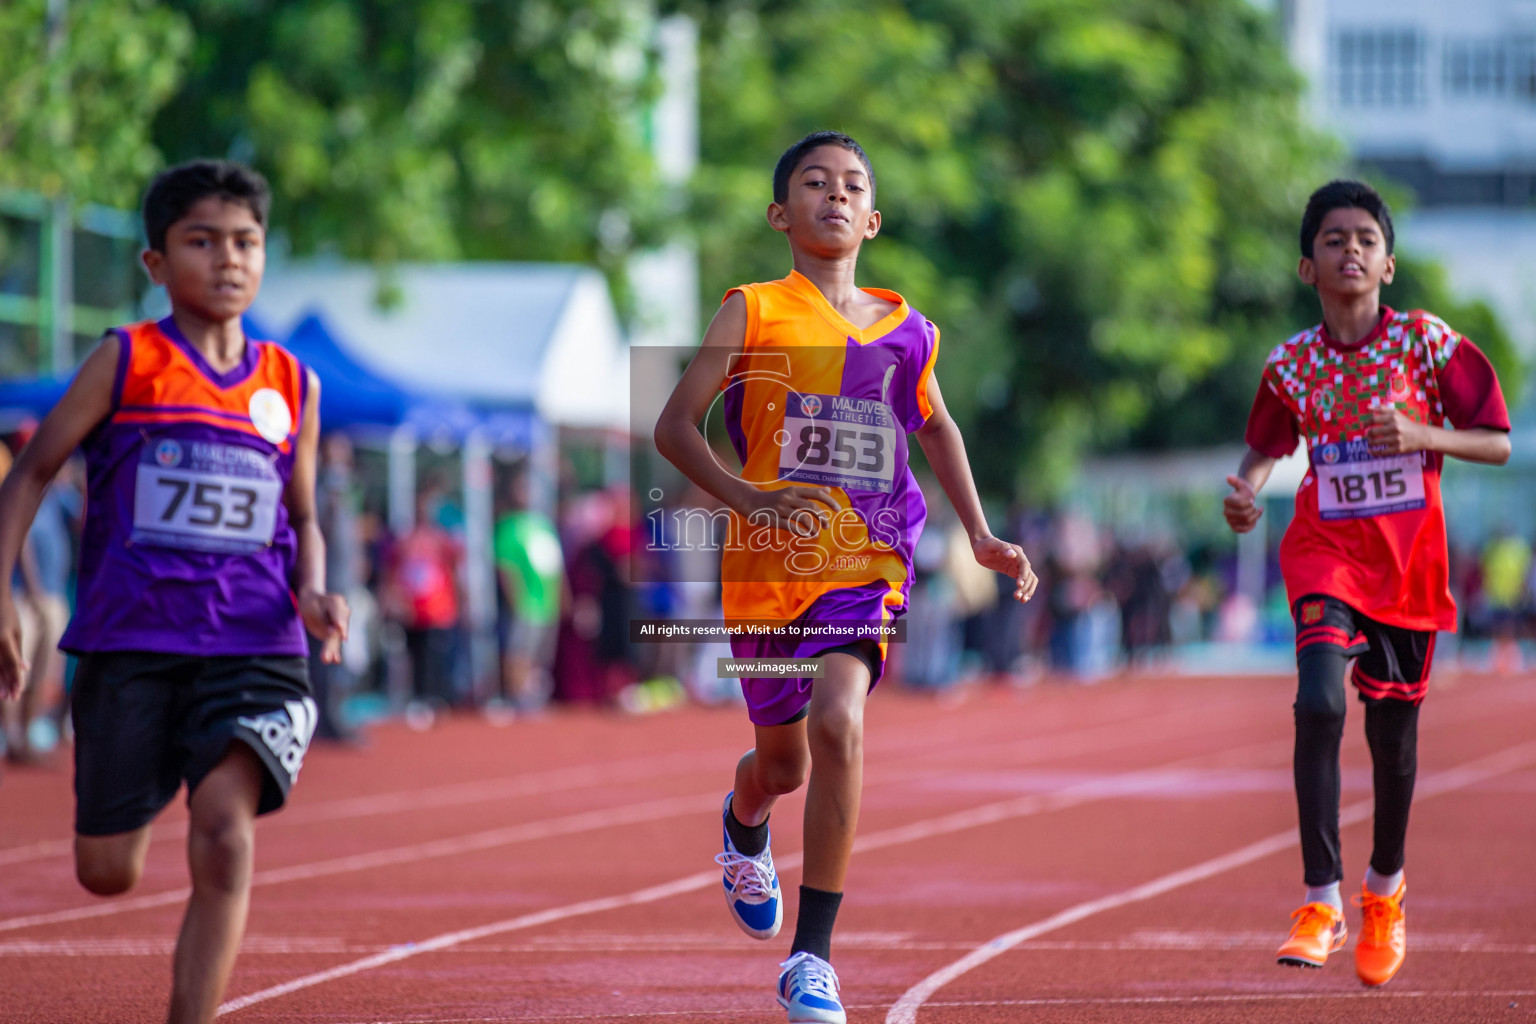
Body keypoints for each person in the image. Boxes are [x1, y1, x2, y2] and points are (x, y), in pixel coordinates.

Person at [654, 130, 1038, 1024]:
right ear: (780, 214)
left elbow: (935, 428)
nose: (834, 194)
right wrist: (746, 500)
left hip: (865, 560)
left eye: (852, 184)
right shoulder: (750, 309)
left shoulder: (908, 329)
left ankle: (812, 960)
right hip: (765, 567)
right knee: (783, 763)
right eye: (813, 183)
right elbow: (676, 428)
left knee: (839, 720)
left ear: (873, 217)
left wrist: (979, 532)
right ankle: (744, 819)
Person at [0, 160, 349, 1024]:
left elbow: (303, 516)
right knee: (105, 870)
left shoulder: (291, 383)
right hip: (133, 642)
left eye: (246, 242)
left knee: (226, 831)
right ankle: (155, 768)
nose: (227, 260)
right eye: (201, 241)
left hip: (255, 645)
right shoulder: (126, 359)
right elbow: (33, 472)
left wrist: (315, 592)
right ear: (157, 262)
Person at [1224, 180, 1510, 987]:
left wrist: (1421, 433)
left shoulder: (1428, 343)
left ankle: (1384, 889)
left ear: (1389, 263)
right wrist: (1244, 491)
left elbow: (1495, 443)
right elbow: (1263, 447)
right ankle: (1320, 899)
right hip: (1324, 550)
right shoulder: (1291, 363)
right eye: (1333, 240)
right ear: (1307, 266)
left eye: (1365, 240)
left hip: (1409, 564)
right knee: (1317, 702)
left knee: (1393, 743)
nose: (1350, 250)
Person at [385, 482, 463, 723]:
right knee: (415, 655)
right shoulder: (404, 540)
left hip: (438, 609)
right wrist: (394, 599)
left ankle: (437, 697)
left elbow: (453, 568)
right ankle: (418, 698)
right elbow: (393, 572)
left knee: (436, 655)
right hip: (412, 609)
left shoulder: (442, 540)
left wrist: (458, 598)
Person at [493, 468, 564, 713]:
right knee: (519, 653)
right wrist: (515, 600)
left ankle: (532, 697)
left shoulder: (544, 524)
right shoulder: (509, 526)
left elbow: (555, 566)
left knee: (539, 656)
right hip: (526, 602)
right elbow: (506, 568)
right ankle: (515, 699)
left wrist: (564, 596)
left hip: (548, 602)